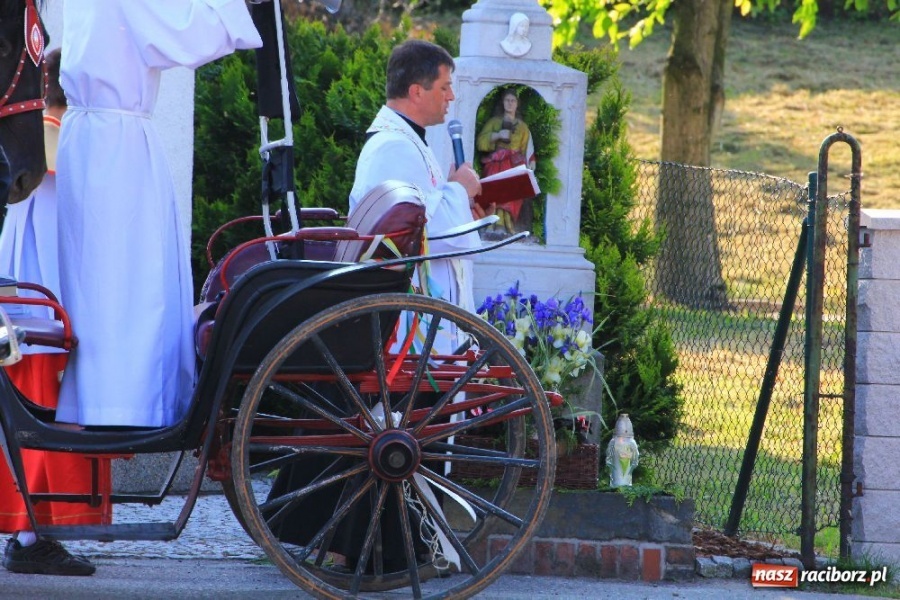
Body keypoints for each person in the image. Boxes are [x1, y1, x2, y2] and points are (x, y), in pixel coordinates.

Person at [265, 39, 488, 573]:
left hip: (406, 297)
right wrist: (459, 189)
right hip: (398, 309)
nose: (451, 97)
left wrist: (457, 192)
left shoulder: (407, 141)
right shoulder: (393, 146)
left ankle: (383, 544)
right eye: (444, 87)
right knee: (392, 429)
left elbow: (425, 217)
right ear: (416, 91)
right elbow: (424, 226)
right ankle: (383, 550)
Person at [53, 1, 262, 428]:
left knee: (103, 280)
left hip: (96, 141)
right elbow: (185, 33)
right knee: (127, 279)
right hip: (116, 149)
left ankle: (101, 399)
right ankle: (123, 405)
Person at [0, 48, 102, 577]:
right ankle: (31, 536)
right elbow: (64, 244)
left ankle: (29, 533)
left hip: (22, 304)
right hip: (44, 314)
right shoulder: (58, 150)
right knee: (44, 425)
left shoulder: (31, 144)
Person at [475, 88, 535, 234]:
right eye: (507, 100)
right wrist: (496, 135)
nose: (509, 103)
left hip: (514, 165)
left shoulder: (523, 127)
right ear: (502, 103)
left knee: (511, 191)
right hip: (496, 163)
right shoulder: (494, 122)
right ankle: (493, 224)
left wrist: (531, 161)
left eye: (512, 101)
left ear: (517, 104)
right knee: (495, 190)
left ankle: (506, 224)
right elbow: (480, 142)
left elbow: (528, 148)